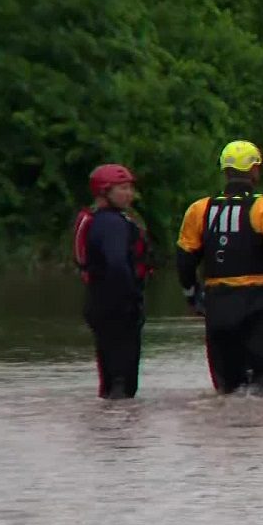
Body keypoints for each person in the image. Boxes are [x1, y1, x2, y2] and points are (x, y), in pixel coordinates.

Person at [175, 140, 263, 395]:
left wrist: (191, 294)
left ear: (224, 171)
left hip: (217, 306)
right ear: (254, 171)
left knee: (228, 389)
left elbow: (185, 259)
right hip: (259, 306)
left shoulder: (199, 210)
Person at [72, 163, 150, 400]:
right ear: (104, 192)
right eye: (122, 188)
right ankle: (119, 431)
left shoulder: (99, 220)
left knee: (109, 377)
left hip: (99, 302)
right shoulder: (112, 224)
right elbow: (117, 264)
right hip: (118, 307)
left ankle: (107, 428)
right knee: (122, 381)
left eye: (130, 188)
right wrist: (132, 297)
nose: (129, 194)